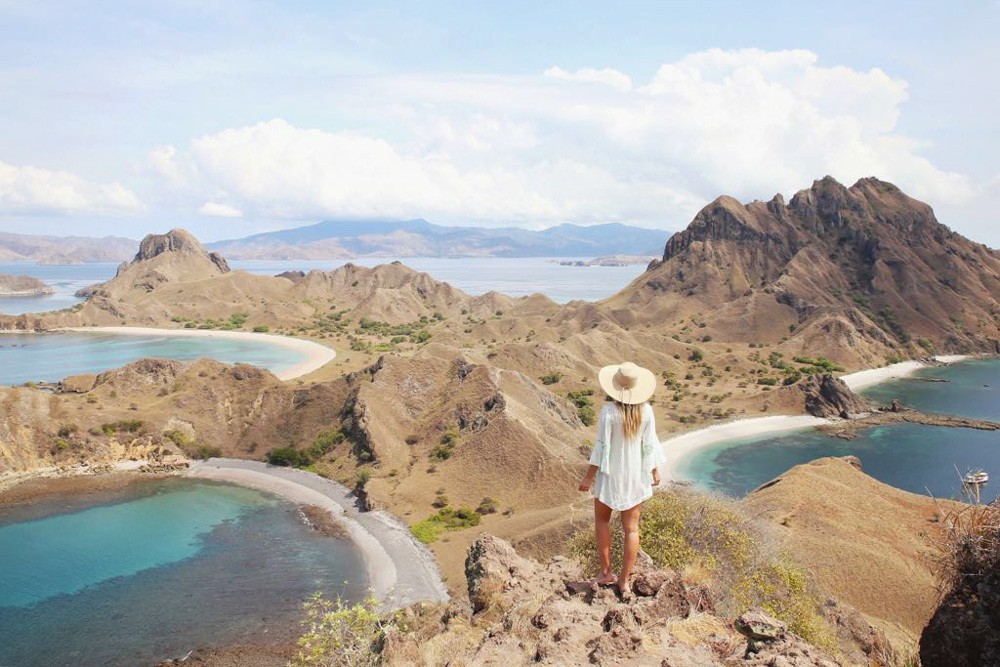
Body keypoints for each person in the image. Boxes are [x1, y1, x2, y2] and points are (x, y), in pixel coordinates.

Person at [578, 361, 664, 598]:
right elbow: (650, 443)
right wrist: (654, 470)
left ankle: (606, 573)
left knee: (602, 522)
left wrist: (588, 477)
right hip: (635, 476)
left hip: (609, 476)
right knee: (631, 529)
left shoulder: (608, 412)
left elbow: (602, 447)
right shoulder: (646, 411)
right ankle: (624, 581)